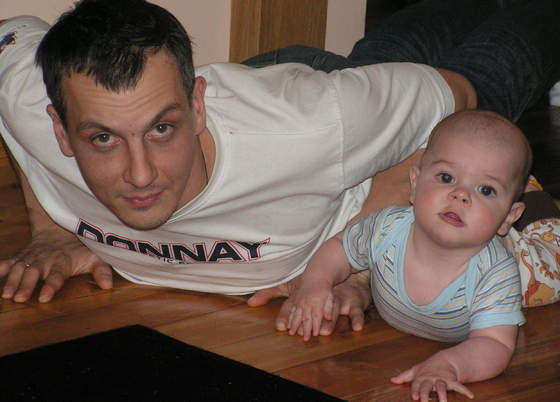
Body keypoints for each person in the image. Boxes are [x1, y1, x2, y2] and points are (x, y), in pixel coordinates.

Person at [0, 0, 558, 332]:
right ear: (59, 130)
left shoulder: (316, 127)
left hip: (312, 114)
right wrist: (50, 226)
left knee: (488, 72)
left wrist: (356, 268)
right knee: (375, 62)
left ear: (196, 107)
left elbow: (454, 101)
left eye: (162, 129)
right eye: (103, 139)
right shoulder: (31, 107)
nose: (140, 174)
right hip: (315, 104)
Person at [285, 110, 530, 401]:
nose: (461, 195)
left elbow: (495, 343)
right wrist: (316, 282)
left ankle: (539, 206)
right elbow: (340, 249)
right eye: (446, 177)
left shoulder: (496, 273)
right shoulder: (387, 229)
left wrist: (450, 364)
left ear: (507, 217)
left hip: (526, 262)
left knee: (550, 267)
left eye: (486, 190)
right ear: (414, 184)